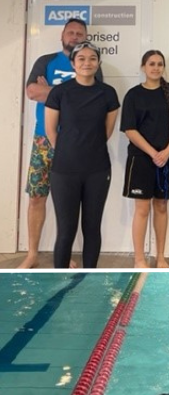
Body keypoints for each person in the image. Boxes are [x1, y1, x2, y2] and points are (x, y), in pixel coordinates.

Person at [20, 18, 103, 269]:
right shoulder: (45, 61)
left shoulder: (92, 66)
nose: (75, 36)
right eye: (71, 32)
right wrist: (69, 92)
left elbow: (93, 98)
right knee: (37, 197)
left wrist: (53, 92)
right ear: (62, 36)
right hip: (43, 139)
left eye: (80, 33)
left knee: (66, 203)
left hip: (75, 144)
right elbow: (32, 92)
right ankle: (32, 254)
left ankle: (63, 254)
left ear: (86, 38)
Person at [44, 42, 119, 269]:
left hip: (97, 169)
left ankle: (89, 279)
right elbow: (51, 131)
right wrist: (69, 151)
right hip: (64, 170)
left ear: (98, 63)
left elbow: (106, 132)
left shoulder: (108, 93)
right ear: (73, 63)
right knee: (66, 231)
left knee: (92, 228)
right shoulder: (59, 92)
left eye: (92, 59)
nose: (87, 63)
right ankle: (58, 282)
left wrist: (86, 149)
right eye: (82, 59)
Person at [120, 50, 169, 269]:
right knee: (142, 209)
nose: (156, 68)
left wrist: (168, 149)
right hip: (141, 159)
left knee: (161, 207)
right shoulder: (133, 95)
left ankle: (160, 257)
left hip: (166, 158)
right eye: (151, 64)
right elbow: (130, 130)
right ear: (143, 67)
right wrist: (152, 152)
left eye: (160, 64)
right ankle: (139, 258)